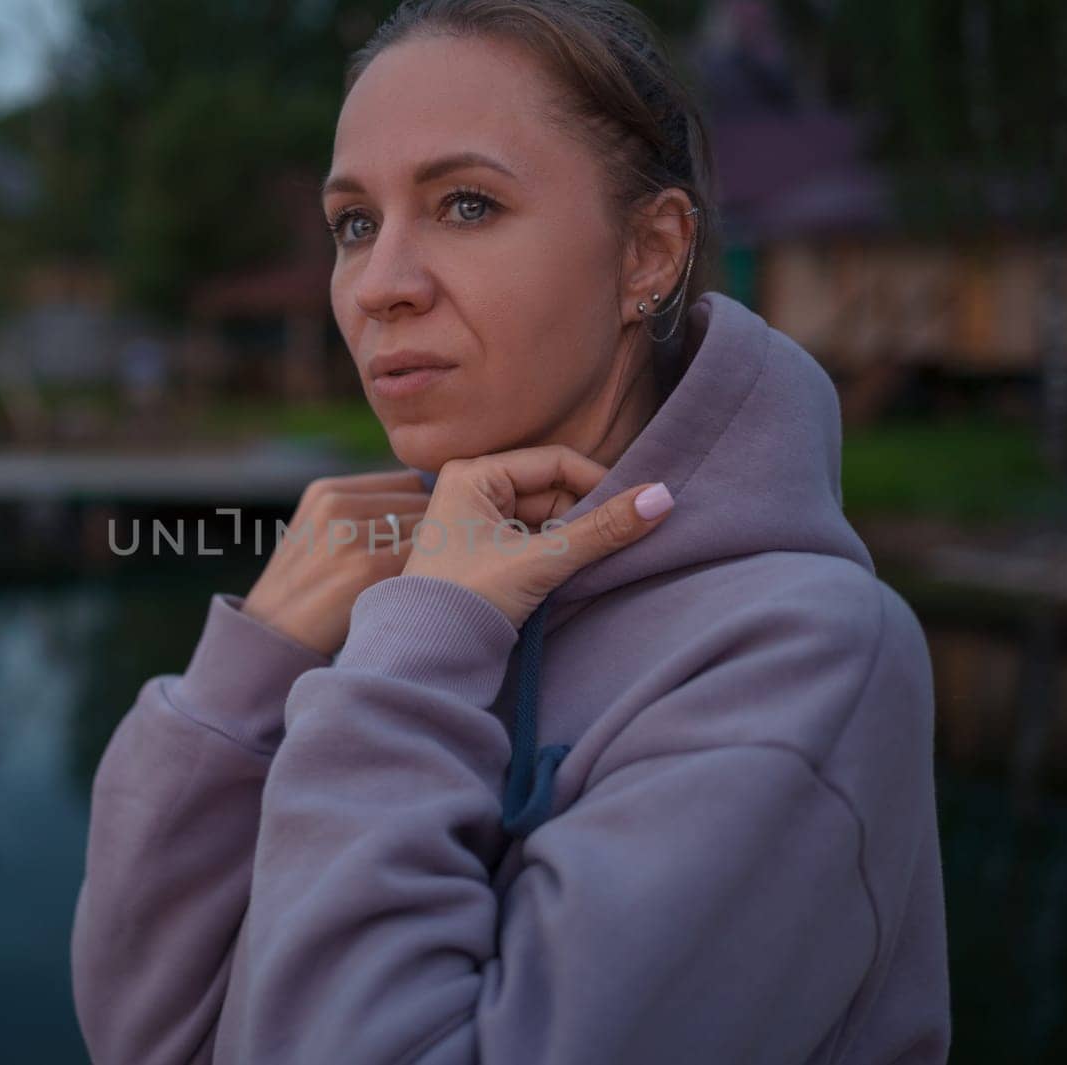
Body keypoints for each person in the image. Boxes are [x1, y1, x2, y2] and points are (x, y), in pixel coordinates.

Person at [71, 1, 952, 1062]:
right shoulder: (404, 594)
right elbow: (154, 1036)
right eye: (354, 223)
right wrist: (249, 679)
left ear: (650, 253)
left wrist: (410, 660)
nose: (381, 286)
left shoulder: (806, 653)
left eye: (466, 205)